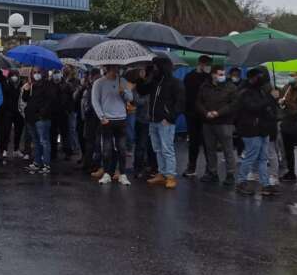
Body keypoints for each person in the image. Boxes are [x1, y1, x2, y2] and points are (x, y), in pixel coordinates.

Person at [137, 55, 185, 190]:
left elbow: (180, 103)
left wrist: (170, 118)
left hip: (165, 122)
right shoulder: (155, 81)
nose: (154, 69)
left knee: (167, 148)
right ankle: (162, 173)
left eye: (156, 66)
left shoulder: (175, 83)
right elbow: (141, 91)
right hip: (153, 120)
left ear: (162, 67)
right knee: (157, 148)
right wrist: (141, 78)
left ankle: (170, 176)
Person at [230, 67, 279, 197]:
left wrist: (273, 101)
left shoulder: (260, 91)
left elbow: (266, 108)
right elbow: (253, 107)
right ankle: (241, 181)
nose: (262, 79)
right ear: (252, 78)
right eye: (259, 77)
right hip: (250, 129)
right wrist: (269, 97)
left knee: (263, 158)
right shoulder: (244, 92)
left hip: (262, 128)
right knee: (251, 157)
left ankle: (265, 184)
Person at [195, 65, 238, 185]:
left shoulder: (231, 87)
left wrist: (218, 113)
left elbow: (234, 104)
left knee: (228, 149)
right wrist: (205, 113)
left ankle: (230, 174)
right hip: (208, 122)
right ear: (213, 75)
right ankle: (212, 172)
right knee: (210, 149)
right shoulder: (204, 86)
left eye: (223, 74)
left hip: (224, 122)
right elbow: (198, 102)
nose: (222, 76)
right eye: (220, 74)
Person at [90, 66, 133, 185]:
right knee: (107, 149)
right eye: (114, 67)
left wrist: (123, 92)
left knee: (122, 148)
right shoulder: (99, 83)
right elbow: (95, 101)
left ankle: (122, 174)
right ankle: (107, 173)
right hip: (107, 120)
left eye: (117, 67)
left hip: (121, 119)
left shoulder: (122, 81)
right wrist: (102, 117)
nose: (117, 69)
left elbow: (131, 98)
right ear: (108, 68)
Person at [22, 67, 58, 175]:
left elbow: (51, 100)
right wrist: (26, 90)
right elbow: (25, 99)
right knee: (36, 141)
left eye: (38, 72)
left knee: (44, 141)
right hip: (31, 118)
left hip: (42, 118)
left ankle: (46, 164)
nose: (36, 74)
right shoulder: (32, 84)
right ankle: (37, 162)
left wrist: (42, 113)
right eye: (34, 72)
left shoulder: (47, 85)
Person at [182, 55, 213, 178]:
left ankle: (210, 168)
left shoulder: (209, 78)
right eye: (206, 64)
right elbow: (185, 94)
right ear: (200, 64)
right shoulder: (189, 76)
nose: (207, 67)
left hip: (206, 114)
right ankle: (191, 166)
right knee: (193, 142)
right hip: (192, 113)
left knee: (208, 143)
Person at [278, 72, 297, 183]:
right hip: (287, 124)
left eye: (294, 74)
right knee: (288, 151)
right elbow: (282, 104)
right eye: (290, 74)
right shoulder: (287, 87)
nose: (291, 76)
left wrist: (287, 104)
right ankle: (291, 173)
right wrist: (281, 102)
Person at [0, 71, 23, 165]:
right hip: (8, 111)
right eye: (12, 76)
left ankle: (16, 149)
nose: (14, 77)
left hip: (19, 112)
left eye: (16, 75)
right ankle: (5, 149)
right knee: (6, 130)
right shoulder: (6, 84)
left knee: (19, 131)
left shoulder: (21, 85)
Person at [62, 67, 83, 160]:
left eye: (68, 68)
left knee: (72, 128)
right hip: (64, 108)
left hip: (72, 108)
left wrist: (68, 84)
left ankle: (75, 146)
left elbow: (75, 94)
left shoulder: (76, 81)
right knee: (67, 129)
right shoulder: (63, 80)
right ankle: (67, 146)